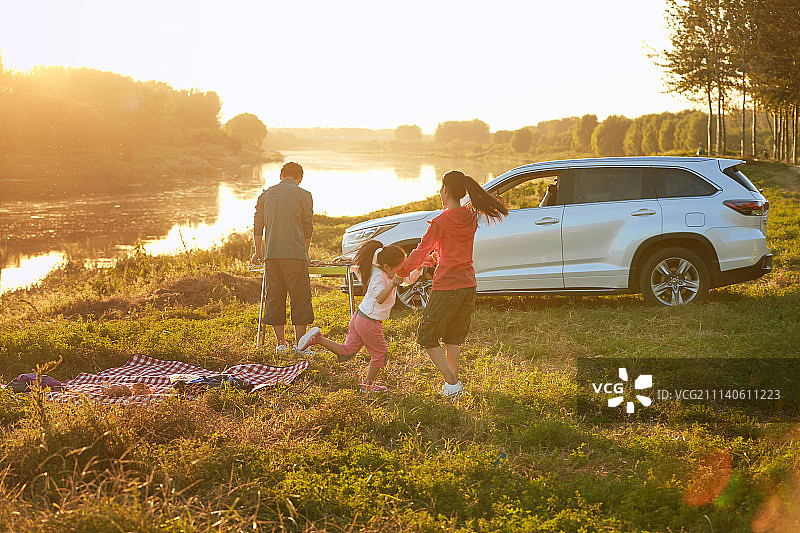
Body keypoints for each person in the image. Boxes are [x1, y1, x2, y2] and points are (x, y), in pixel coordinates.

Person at [393, 170, 508, 397]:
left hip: (448, 285)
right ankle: (452, 386)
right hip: (468, 285)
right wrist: (436, 258)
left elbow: (420, 249)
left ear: (445, 189)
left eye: (440, 188)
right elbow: (453, 248)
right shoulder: (470, 217)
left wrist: (401, 273)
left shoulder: (441, 221)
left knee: (426, 336)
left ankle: (453, 384)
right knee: (452, 338)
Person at [295, 240, 424, 392]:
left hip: (360, 317)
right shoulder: (378, 277)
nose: (401, 271)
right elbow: (380, 298)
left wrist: (419, 268)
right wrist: (393, 283)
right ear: (387, 267)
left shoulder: (386, 272)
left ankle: (318, 338)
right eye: (399, 268)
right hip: (369, 321)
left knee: (347, 352)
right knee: (380, 354)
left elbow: (405, 279)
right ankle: (367, 386)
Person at [252, 162, 314, 355]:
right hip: (295, 256)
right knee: (300, 297)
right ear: (300, 178)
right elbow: (307, 227)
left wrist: (258, 251)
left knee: (275, 297)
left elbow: (257, 225)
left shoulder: (265, 195)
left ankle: (280, 344)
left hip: (272, 256)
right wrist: (305, 252)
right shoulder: (304, 195)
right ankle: (299, 345)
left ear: (280, 176)